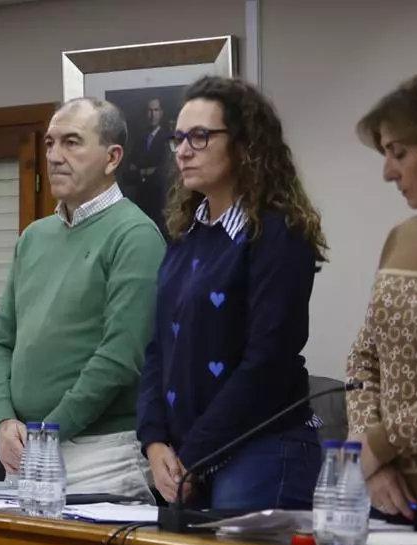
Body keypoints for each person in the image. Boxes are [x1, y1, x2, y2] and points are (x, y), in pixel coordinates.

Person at [137, 76, 330, 510]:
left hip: (260, 449)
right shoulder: (187, 235)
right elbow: (157, 350)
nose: (183, 150)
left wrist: (193, 454)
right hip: (186, 457)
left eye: (200, 137)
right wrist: (153, 441)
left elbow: (267, 361)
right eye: (178, 138)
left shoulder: (278, 234)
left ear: (245, 144)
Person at [0, 97, 165, 501]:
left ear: (112, 157)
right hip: (24, 449)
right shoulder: (34, 237)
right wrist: (1, 420)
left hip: (102, 454)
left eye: (72, 142)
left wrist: (48, 431)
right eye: (49, 143)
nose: (54, 156)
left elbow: (120, 356)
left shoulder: (134, 235)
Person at [347, 74, 417, 521]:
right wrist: (373, 459)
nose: (389, 173)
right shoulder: (400, 238)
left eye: (400, 154)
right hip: (387, 495)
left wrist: (379, 444)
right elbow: (364, 358)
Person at [125, 97, 172, 228]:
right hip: (141, 198)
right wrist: (146, 171)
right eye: (150, 110)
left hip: (160, 199)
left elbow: (165, 169)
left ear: (161, 112)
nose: (152, 115)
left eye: (156, 110)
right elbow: (129, 169)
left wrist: (141, 170)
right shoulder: (140, 138)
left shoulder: (168, 137)